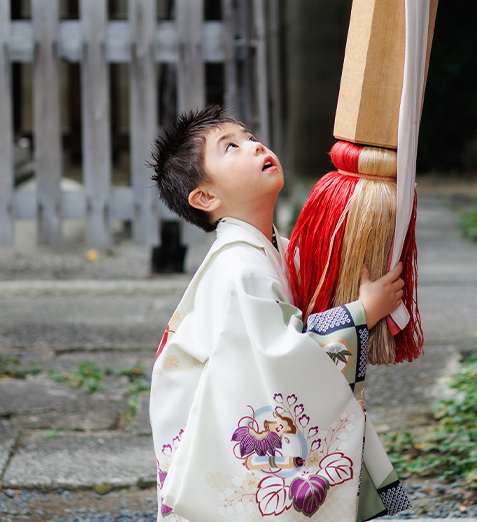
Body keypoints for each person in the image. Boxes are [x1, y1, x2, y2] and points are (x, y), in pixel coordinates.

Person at [149, 105, 412, 521]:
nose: (254, 147)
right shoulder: (240, 269)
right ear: (205, 197)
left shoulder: (270, 249)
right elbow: (282, 357)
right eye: (231, 147)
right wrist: (362, 312)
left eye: (250, 136)